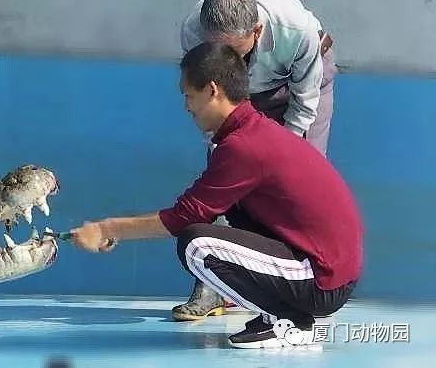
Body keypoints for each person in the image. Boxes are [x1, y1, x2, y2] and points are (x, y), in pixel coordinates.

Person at [70, 42, 362, 348]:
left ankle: (289, 321)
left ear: (212, 90)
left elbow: (184, 217)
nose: (186, 106)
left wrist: (106, 229)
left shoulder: (245, 146)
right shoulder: (250, 133)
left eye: (188, 95)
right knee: (228, 210)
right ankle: (284, 315)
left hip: (322, 279)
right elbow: (200, 207)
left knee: (196, 245)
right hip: (326, 270)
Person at [173, 0, 339, 321]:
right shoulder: (193, 30)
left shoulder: (297, 30)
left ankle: (305, 283)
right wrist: (221, 148)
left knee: (299, 181)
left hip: (298, 84)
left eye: (233, 50)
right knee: (223, 178)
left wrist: (276, 157)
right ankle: (213, 287)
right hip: (241, 95)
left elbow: (305, 103)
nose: (225, 60)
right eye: (215, 49)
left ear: (257, 32)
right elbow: (210, 99)